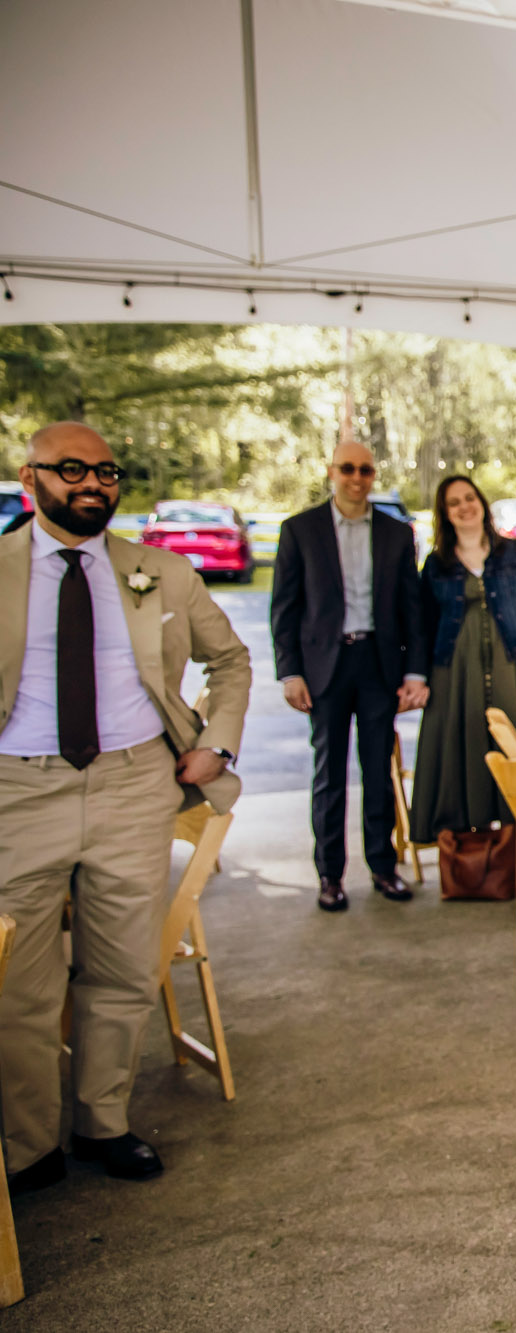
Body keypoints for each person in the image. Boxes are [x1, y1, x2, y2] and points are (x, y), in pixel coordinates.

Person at [0, 422, 250, 1192]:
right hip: (18, 790)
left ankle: (102, 1122)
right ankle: (27, 1144)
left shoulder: (160, 572)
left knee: (124, 971)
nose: (92, 484)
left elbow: (232, 659)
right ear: (29, 476)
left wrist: (218, 742)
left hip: (135, 783)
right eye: (70, 469)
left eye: (106, 472)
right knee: (19, 983)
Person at [271, 439, 429, 912]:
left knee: (379, 771)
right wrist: (290, 673)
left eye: (365, 470)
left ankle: (383, 867)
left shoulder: (396, 533)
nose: (357, 478)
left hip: (378, 666)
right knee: (329, 775)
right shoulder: (300, 530)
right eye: (348, 469)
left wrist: (415, 671)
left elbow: (412, 611)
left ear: (373, 475)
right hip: (325, 668)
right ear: (331, 472)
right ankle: (330, 875)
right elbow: (285, 608)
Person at [409, 476, 516, 846]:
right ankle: (470, 843)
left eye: (469, 498)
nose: (464, 506)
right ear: (445, 513)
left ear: (481, 502)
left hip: (514, 665)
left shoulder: (513, 553)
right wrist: (419, 677)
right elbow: (422, 627)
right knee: (463, 748)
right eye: (453, 502)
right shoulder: (437, 564)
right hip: (454, 672)